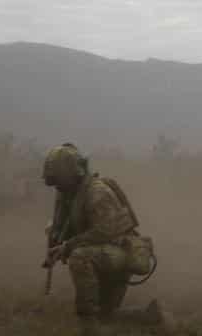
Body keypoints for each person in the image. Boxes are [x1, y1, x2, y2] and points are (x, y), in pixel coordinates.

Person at [41, 143, 161, 335]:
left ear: (73, 174)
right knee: (107, 316)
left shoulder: (97, 192)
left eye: (59, 181)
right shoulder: (71, 195)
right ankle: (149, 315)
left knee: (79, 257)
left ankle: (88, 326)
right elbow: (69, 226)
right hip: (103, 254)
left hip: (119, 254)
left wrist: (68, 246)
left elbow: (105, 232)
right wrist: (55, 236)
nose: (58, 187)